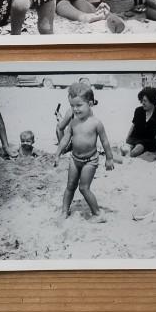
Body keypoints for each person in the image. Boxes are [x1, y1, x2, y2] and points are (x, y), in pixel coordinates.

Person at [57, 82, 113, 221]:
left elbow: (105, 141)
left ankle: (98, 214)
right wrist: (58, 153)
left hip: (90, 161)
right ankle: (64, 211)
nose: (75, 109)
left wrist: (109, 158)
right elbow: (65, 139)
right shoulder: (73, 122)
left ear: (90, 103)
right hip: (75, 159)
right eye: (72, 106)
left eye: (79, 105)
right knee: (70, 186)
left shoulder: (96, 123)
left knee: (83, 188)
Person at [124, 86, 156, 157]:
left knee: (136, 151)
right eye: (142, 100)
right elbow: (133, 125)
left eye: (145, 101)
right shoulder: (138, 111)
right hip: (135, 138)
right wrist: (127, 138)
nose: (142, 103)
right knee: (125, 149)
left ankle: (128, 156)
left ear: (152, 101)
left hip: (149, 141)